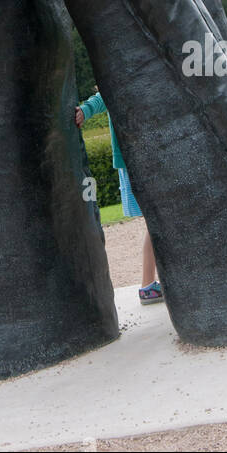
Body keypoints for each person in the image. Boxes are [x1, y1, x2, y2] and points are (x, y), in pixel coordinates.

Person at [74, 83, 163, 303]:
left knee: (158, 224)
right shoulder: (122, 85)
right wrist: (84, 111)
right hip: (136, 163)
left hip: (143, 160)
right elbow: (101, 97)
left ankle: (150, 284)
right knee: (157, 223)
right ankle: (148, 285)